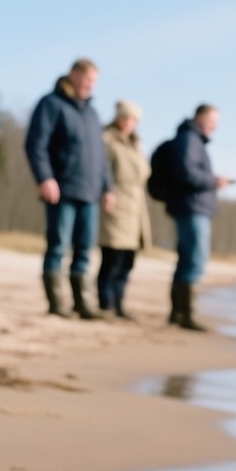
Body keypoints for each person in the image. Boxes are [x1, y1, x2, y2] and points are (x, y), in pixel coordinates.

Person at [25, 58, 115, 319]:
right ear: (73, 75)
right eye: (87, 80)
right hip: (62, 189)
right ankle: (56, 303)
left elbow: (101, 157)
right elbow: (36, 144)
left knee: (85, 249)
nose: (91, 86)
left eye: (94, 82)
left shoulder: (92, 113)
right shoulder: (51, 104)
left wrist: (108, 188)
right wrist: (45, 178)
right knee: (58, 246)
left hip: (90, 192)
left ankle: (83, 303)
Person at [165, 104, 232, 331]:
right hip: (191, 208)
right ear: (200, 119)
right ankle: (185, 314)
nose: (214, 127)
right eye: (212, 122)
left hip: (192, 207)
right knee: (195, 258)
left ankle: (179, 313)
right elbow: (186, 172)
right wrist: (214, 181)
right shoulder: (189, 140)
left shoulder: (191, 139)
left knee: (187, 259)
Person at [97, 100, 152, 319]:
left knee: (128, 260)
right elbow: (102, 168)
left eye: (135, 120)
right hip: (116, 202)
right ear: (119, 117)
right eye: (127, 118)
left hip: (136, 207)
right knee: (112, 257)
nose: (131, 123)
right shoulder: (107, 140)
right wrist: (107, 191)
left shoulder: (136, 144)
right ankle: (106, 303)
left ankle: (119, 303)